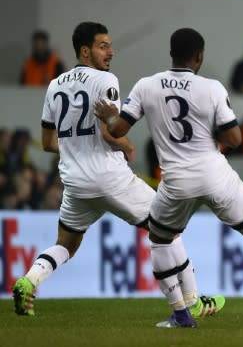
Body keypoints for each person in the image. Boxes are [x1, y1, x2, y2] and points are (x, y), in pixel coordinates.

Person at [94, 27, 243, 330]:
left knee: (159, 241)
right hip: (216, 176)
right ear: (200, 56)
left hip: (177, 182)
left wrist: (107, 116)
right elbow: (235, 139)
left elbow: (117, 131)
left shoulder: (146, 86)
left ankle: (182, 314)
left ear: (171, 54)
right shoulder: (211, 88)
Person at [12, 22, 221, 320]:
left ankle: (28, 281)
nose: (111, 51)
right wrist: (126, 145)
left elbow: (48, 143)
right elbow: (109, 131)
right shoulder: (105, 80)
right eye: (103, 46)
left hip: (75, 184)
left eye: (110, 45)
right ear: (85, 51)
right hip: (111, 178)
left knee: (66, 245)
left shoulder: (54, 85)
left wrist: (77, 148)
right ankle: (191, 302)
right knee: (168, 230)